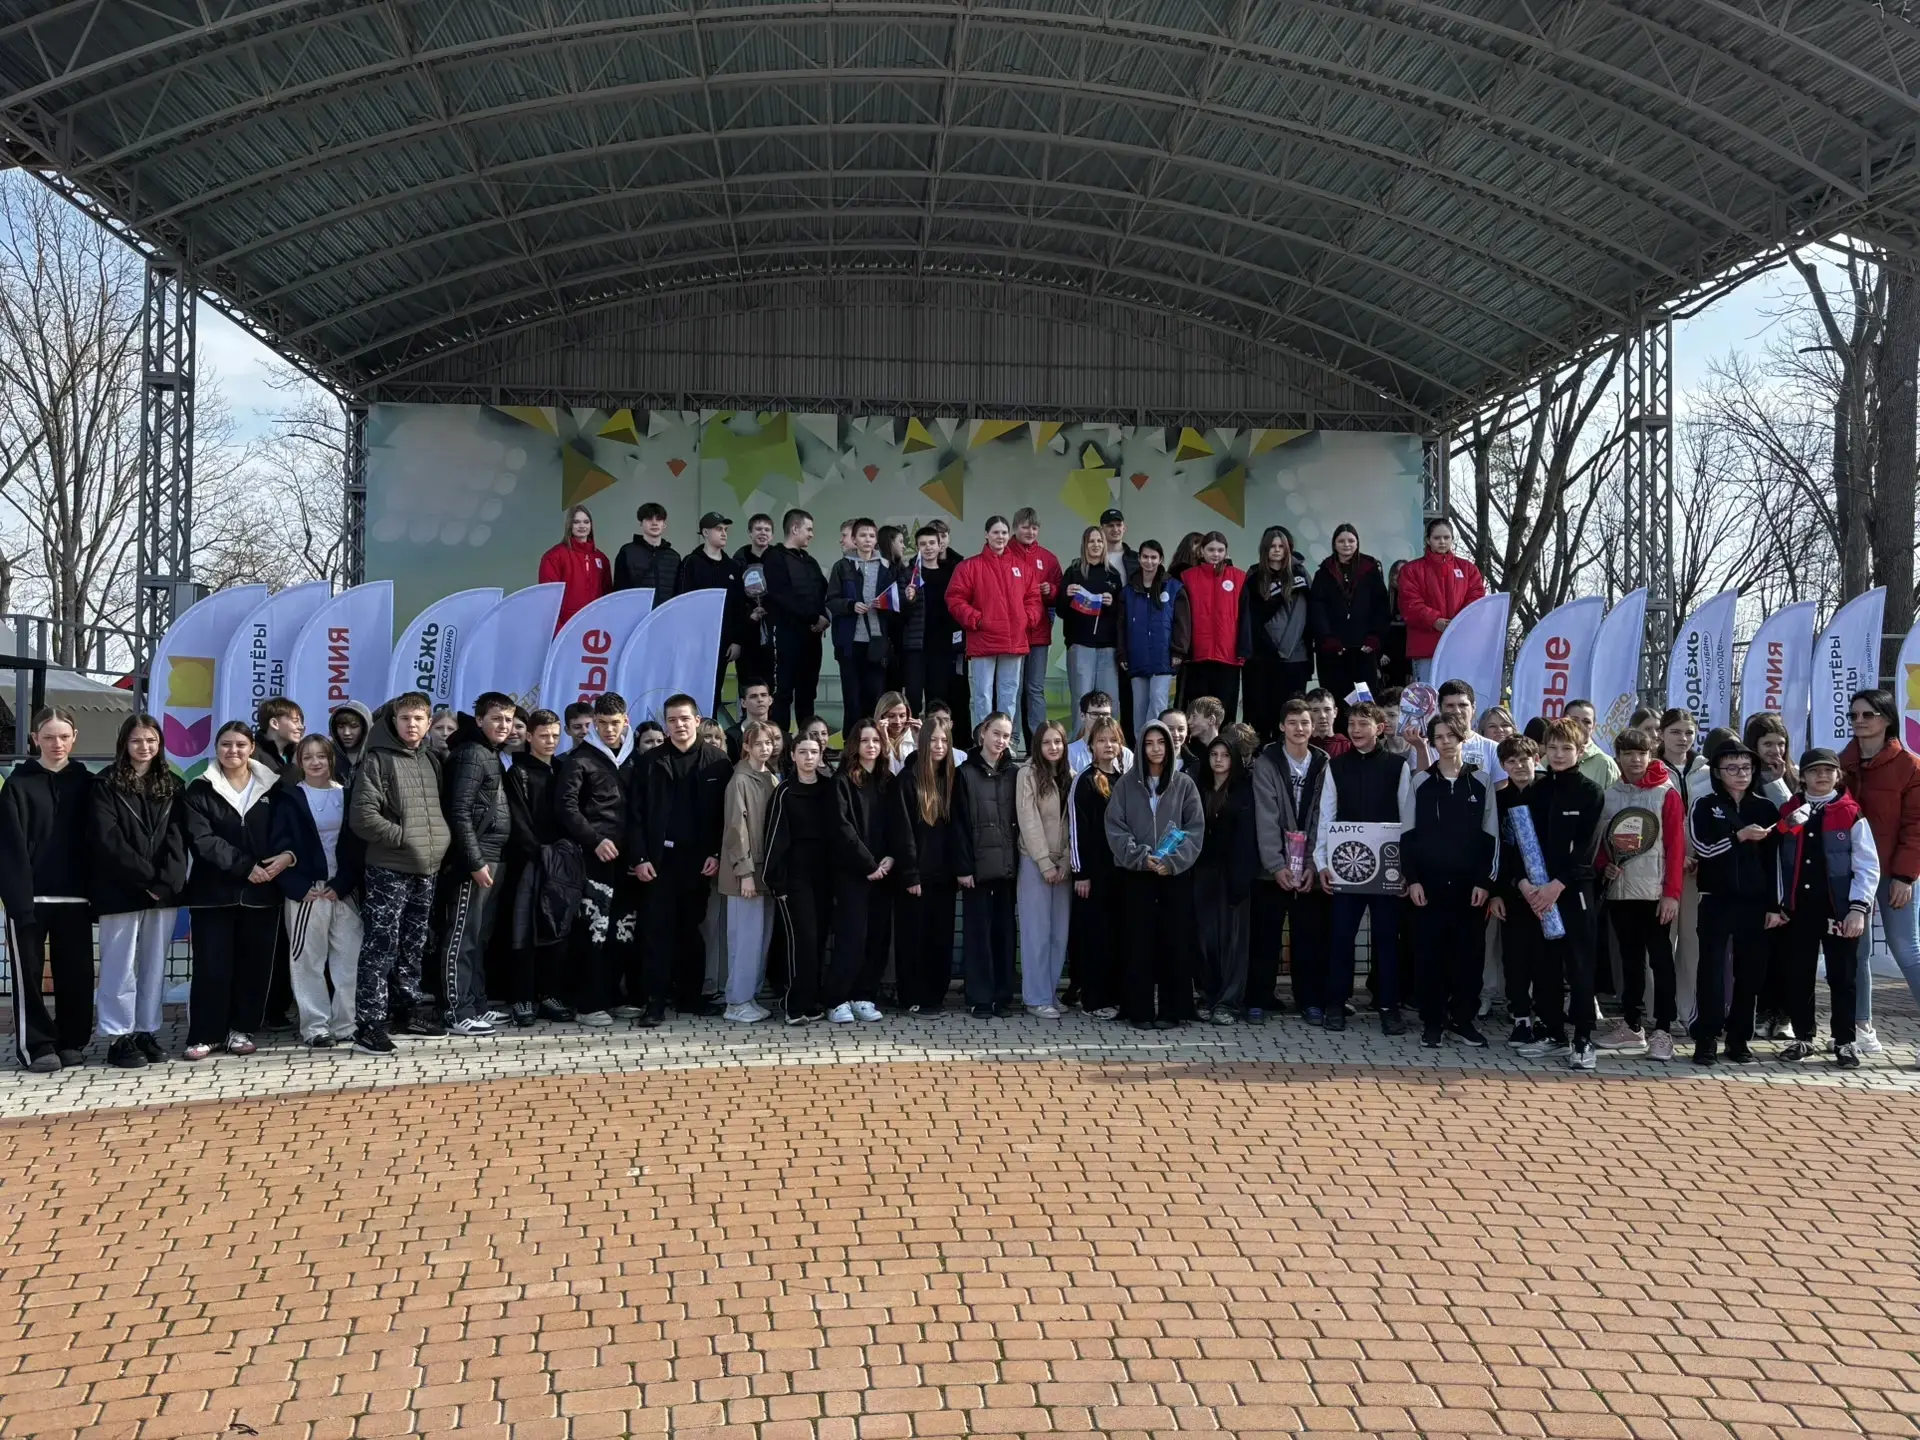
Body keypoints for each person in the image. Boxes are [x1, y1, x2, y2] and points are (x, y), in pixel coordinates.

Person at [179, 721, 291, 1061]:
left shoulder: (274, 787)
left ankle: (241, 1030)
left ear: (251, 747)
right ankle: (206, 1034)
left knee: (253, 966)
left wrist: (285, 857)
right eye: (226, 744)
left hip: (263, 893)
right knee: (212, 967)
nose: (233, 751)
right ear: (216, 748)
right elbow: (202, 840)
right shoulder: (199, 789)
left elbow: (288, 831)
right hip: (213, 894)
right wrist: (246, 867)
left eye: (240, 744)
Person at [348, 693, 452, 1049]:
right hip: (389, 869)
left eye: (419, 719)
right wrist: (405, 838)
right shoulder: (377, 759)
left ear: (428, 723)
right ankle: (369, 1024)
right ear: (394, 721)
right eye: (405, 718)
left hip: (426, 868)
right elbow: (363, 817)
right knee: (381, 946)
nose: (412, 724)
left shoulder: (430, 758)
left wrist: (434, 843)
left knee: (413, 944)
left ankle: (406, 1013)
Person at [87, 712, 188, 1071]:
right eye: (136, 740)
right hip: (121, 889)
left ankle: (146, 1030)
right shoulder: (105, 784)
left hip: (163, 893)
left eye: (151, 740)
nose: (144, 747)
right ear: (124, 744)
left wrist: (166, 882)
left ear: (160, 744)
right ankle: (119, 1036)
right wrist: (148, 879)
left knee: (154, 965)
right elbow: (107, 839)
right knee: (119, 966)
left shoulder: (174, 785)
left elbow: (178, 838)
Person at [626, 694, 731, 1023]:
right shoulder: (649, 762)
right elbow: (635, 815)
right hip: (659, 862)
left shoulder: (718, 762)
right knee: (657, 932)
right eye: (672, 720)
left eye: (685, 718)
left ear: (697, 720)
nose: (679, 725)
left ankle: (690, 998)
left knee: (691, 931)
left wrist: (716, 853)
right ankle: (654, 1003)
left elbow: (725, 816)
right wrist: (640, 857)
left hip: (699, 862)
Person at [1509, 719, 1607, 1069]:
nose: (1559, 754)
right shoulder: (1535, 792)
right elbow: (1519, 844)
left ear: (1580, 751)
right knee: (1544, 964)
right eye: (1552, 748)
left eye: (1567, 748)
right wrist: (1523, 883)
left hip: (1573, 891)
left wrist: (1557, 885)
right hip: (1537, 894)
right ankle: (1553, 1033)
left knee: (1578, 965)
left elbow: (1586, 849)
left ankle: (1583, 1038)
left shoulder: (1591, 792)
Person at [1772, 748, 1876, 1067]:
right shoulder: (1791, 811)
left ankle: (1845, 1042)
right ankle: (1803, 1038)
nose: (1822, 776)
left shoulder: (1850, 812)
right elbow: (1777, 860)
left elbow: (1867, 864)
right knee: (1799, 974)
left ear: (1837, 775)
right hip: (1799, 910)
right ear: (1802, 776)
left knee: (1842, 977)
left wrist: (1858, 908)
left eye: (1828, 770)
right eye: (1814, 770)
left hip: (1839, 911)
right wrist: (1779, 904)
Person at [1314, 701, 1412, 1034]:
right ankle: (1336, 1003)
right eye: (1352, 723)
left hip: (1388, 868)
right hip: (1346, 867)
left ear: (1379, 728)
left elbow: (1407, 819)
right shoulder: (1336, 766)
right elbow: (1326, 816)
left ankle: (1389, 1007)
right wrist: (1322, 862)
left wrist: (1405, 869)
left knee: (1386, 938)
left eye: (1363, 724)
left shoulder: (1398, 766)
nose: (1355, 730)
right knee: (1341, 937)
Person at [1401, 714, 1498, 1048]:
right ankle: (1433, 1022)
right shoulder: (1421, 782)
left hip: (1469, 890)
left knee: (1468, 958)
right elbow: (1408, 834)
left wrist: (1485, 882)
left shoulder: (1481, 781)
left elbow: (1491, 836)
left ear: (1462, 739)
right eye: (1438, 737)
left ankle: (1463, 1021)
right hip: (1428, 889)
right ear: (1432, 742)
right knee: (1429, 957)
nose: (1445, 742)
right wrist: (1413, 880)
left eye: (1450, 736)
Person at [1688, 739, 1785, 1066]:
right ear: (1717, 771)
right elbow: (1703, 848)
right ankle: (1706, 1038)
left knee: (1750, 972)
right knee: (1711, 970)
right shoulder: (1704, 804)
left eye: (1746, 767)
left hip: (1755, 903)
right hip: (1715, 899)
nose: (1741, 774)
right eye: (1732, 768)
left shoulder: (1766, 808)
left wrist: (1774, 906)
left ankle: (1739, 1038)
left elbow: (1775, 862)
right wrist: (1738, 836)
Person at [1593, 726, 1685, 1059]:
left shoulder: (1666, 792)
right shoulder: (1610, 794)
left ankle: (1663, 1030)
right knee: (1630, 961)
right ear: (1617, 757)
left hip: (1655, 894)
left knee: (1661, 961)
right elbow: (1602, 843)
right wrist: (1605, 866)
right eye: (1628, 753)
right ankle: (1632, 1027)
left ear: (1651, 755)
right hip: (1621, 893)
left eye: (1641, 753)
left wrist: (1671, 893)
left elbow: (1676, 846)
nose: (1635, 759)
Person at [1106, 718, 1204, 1028]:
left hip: (1174, 876)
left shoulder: (1184, 784)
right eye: (1149, 743)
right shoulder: (1125, 785)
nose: (1156, 749)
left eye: (1161, 743)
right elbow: (1115, 827)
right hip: (1137, 876)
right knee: (1138, 944)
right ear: (1140, 748)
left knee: (1175, 943)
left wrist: (1172, 861)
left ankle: (1173, 1011)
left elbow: (1195, 829)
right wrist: (1140, 857)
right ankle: (1140, 1011)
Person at [1838, 687, 1920, 1057]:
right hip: (1852, 874)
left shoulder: (1910, 767)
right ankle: (1862, 1029)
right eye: (1853, 715)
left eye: (1867, 714)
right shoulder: (1841, 763)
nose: (1859, 721)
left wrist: (1905, 876)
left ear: (1887, 719)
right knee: (1857, 952)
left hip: (1893, 874)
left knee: (1907, 950)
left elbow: (1916, 827)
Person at [271, 733, 366, 1049]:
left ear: (331, 759)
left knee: (349, 960)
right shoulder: (288, 798)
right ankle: (315, 1027)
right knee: (307, 962)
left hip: (343, 892)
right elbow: (278, 845)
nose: (315, 762)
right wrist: (298, 887)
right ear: (299, 762)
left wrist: (343, 884)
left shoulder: (346, 795)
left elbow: (356, 846)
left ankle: (346, 1025)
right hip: (308, 894)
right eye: (308, 756)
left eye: (321, 756)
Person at [439, 692, 516, 1034]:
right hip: (476, 860)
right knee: (462, 937)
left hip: (493, 856)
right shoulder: (472, 753)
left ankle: (476, 1004)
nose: (504, 725)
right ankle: (455, 1011)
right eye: (497, 718)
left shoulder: (489, 752)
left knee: (479, 937)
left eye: (509, 719)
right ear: (480, 719)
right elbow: (459, 811)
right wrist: (474, 860)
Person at [553, 691, 631, 1027]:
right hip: (592, 857)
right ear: (594, 723)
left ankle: (613, 996)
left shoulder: (634, 758)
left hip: (627, 859)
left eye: (615, 723)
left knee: (622, 929)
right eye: (602, 723)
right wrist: (594, 840)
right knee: (593, 929)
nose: (609, 729)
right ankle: (587, 1004)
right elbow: (566, 807)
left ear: (625, 721)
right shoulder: (579, 759)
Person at [1251, 699, 1330, 1023]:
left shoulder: (1323, 762)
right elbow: (1266, 815)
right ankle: (1258, 999)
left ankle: (1309, 1000)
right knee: (1265, 936)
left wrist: (1312, 865)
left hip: (1308, 868)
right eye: (1293, 722)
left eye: (1305, 722)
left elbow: (1322, 816)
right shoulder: (1267, 762)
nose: (1300, 728)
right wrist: (1276, 865)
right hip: (1272, 869)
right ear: (1282, 726)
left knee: (1309, 937)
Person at [819, 717, 894, 1024]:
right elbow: (841, 828)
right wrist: (868, 864)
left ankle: (864, 996)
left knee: (877, 937)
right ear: (854, 745)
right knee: (852, 938)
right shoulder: (841, 782)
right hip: (852, 873)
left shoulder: (887, 780)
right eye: (865, 741)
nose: (871, 746)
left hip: (884, 872)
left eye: (876, 740)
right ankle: (836, 999)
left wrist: (889, 858)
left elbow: (897, 824)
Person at [502, 708, 573, 1027]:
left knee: (556, 930)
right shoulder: (517, 772)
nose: (550, 741)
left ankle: (550, 995)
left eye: (555, 736)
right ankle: (522, 998)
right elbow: (518, 821)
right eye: (544, 736)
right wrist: (541, 854)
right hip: (528, 864)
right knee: (524, 931)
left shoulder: (564, 769)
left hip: (561, 866)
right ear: (529, 736)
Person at [947, 517, 1043, 738]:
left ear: (1009, 535)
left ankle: (1004, 742)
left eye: (1004, 533)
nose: (1000, 537)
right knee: (983, 695)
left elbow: (1034, 599)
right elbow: (955, 598)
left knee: (1009, 695)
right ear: (986, 535)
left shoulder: (1022, 568)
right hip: (983, 640)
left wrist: (1026, 619)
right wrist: (977, 619)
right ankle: (983, 742)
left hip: (1014, 641)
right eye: (995, 532)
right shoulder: (969, 566)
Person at [764, 732, 836, 1024]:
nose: (809, 757)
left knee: (818, 939)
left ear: (821, 756)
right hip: (794, 879)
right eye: (803, 752)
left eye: (813, 752)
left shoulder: (830, 788)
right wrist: (776, 881)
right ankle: (794, 1004)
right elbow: (774, 837)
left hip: (825, 876)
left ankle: (811, 1000)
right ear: (792, 756)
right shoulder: (784, 792)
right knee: (801, 940)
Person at [953, 711, 1021, 1017]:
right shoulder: (964, 773)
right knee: (978, 936)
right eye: (996, 733)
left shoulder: (1015, 773)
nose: (1001, 740)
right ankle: (979, 998)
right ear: (983, 733)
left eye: (1006, 736)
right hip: (977, 871)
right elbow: (959, 825)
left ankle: (1002, 997)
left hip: (1007, 869)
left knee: (1004, 935)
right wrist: (964, 867)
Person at [894, 718, 961, 1013]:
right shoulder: (907, 780)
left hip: (944, 877)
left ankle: (935, 995)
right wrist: (911, 874)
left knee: (940, 938)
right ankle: (912, 996)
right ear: (923, 743)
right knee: (914, 938)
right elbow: (903, 832)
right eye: (933, 740)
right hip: (916, 877)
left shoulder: (951, 780)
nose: (939, 746)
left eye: (944, 741)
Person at [718, 719, 780, 1023]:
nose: (765, 748)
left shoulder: (770, 777)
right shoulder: (739, 780)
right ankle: (737, 1001)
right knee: (744, 939)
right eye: (758, 744)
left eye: (769, 742)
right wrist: (744, 873)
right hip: (746, 873)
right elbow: (736, 829)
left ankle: (748, 996)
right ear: (746, 746)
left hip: (764, 872)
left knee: (759, 939)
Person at [1067, 715, 1127, 1020]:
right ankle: (1093, 999)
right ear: (1091, 745)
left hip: (1121, 874)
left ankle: (1115, 996)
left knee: (1117, 936)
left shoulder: (1126, 780)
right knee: (1094, 938)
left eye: (1113, 740)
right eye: (1101, 740)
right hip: (1093, 875)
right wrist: (1081, 873)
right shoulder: (1085, 780)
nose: (1108, 745)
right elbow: (1077, 830)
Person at [1193, 735, 1257, 1023]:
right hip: (1202, 872)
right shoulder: (1199, 788)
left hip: (1234, 874)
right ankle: (1208, 996)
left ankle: (1228, 1003)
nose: (1219, 760)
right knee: (1205, 939)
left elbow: (1249, 838)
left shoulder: (1244, 790)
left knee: (1233, 942)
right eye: (1214, 754)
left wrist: (1242, 877)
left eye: (1225, 755)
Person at [1744, 710, 1799, 1039]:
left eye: (1780, 744)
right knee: (1761, 948)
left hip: (1790, 876)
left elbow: (1799, 822)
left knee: (1788, 950)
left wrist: (1779, 784)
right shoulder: (1744, 777)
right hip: (1757, 874)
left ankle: (1786, 1014)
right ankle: (1763, 1011)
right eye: (1767, 744)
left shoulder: (1795, 778)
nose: (1775, 751)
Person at [1015, 719, 1073, 1018]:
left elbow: (1073, 824)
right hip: (1035, 862)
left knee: (1058, 934)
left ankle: (1050, 993)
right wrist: (1044, 862)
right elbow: (1028, 820)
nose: (1053, 747)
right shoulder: (1027, 774)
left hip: (1063, 865)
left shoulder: (1070, 776)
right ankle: (1036, 998)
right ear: (1037, 745)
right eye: (1047, 742)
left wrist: (1065, 860)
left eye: (1058, 742)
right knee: (1036, 932)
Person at [1491, 735, 1544, 1046]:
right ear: (1503, 766)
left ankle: (1546, 1016)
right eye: (1511, 761)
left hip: (1547, 891)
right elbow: (1497, 850)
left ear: (1536, 760)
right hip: (1512, 890)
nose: (1519, 766)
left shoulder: (1549, 794)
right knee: (1515, 956)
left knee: (1545, 956)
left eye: (1524, 759)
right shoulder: (1499, 800)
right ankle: (1521, 1015)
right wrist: (1498, 891)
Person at [1239, 525, 1313, 742]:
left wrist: (1284, 650)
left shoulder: (1299, 575)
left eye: (1281, 546)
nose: (1277, 550)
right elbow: (1248, 618)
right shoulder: (1253, 577)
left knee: (1289, 714)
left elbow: (1302, 617)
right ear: (1265, 549)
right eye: (1272, 546)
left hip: (1293, 658)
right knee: (1259, 715)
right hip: (1260, 659)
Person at [826, 517, 899, 733]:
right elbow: (831, 600)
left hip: (877, 641)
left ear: (876, 540)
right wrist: (850, 605)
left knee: (875, 696)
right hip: (850, 642)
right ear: (854, 539)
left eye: (871, 536)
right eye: (862, 535)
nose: (867, 540)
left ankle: (874, 740)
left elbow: (897, 600)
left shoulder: (886, 567)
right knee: (852, 697)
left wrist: (884, 604)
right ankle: (851, 742)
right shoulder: (842, 566)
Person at [1308, 524, 1390, 708]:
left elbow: (1381, 606)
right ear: (1334, 544)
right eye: (1341, 541)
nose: (1346, 545)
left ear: (1357, 543)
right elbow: (1317, 608)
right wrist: (1327, 639)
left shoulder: (1370, 570)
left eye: (1351, 540)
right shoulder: (1324, 572)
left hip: (1363, 649)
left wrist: (1374, 638)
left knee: (1365, 703)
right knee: (1335, 700)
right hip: (1333, 652)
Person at [1397, 517, 1488, 682]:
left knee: (1458, 694)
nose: (1442, 542)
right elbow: (1409, 603)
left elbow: (1476, 599)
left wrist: (1459, 621)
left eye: (1446, 537)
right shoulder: (1411, 570)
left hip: (1460, 646)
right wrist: (1434, 620)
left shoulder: (1468, 569)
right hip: (1426, 647)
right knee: (1429, 695)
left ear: (1452, 539)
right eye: (1437, 538)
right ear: (1428, 540)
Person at [765, 508, 830, 731]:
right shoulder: (775, 558)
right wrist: (813, 617)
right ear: (794, 528)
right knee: (783, 693)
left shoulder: (810, 562)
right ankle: (781, 742)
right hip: (787, 637)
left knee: (808, 691)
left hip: (812, 639)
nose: (811, 534)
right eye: (808, 529)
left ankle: (806, 739)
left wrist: (825, 617)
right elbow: (782, 596)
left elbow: (824, 592)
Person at [1172, 532, 1245, 722]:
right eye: (1211, 549)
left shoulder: (1239, 577)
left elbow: (1245, 617)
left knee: (1225, 711)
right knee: (1199, 711)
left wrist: (1243, 649)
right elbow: (1180, 617)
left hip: (1228, 655)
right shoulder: (1187, 577)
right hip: (1198, 655)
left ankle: (1226, 741)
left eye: (1220, 550)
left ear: (1226, 552)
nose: (1215, 554)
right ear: (1202, 551)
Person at [1117, 539, 1180, 742]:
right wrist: (1122, 653)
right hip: (1137, 657)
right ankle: (1140, 749)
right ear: (1139, 558)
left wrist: (1178, 651)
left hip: (1163, 658)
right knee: (1139, 707)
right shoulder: (1128, 591)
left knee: (1158, 703)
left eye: (1154, 557)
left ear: (1160, 559)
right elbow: (1121, 626)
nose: (1149, 561)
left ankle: (1157, 745)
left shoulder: (1173, 587)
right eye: (1145, 557)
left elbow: (1181, 623)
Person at [1010, 508, 1063, 747]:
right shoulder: (1004, 554)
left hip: (1039, 633)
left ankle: (1038, 743)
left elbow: (1061, 593)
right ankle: (1010, 741)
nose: (1030, 532)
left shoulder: (1048, 558)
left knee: (1035, 689)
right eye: (1025, 527)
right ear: (1015, 528)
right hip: (1011, 635)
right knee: (1013, 689)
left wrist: (1051, 590)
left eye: (1034, 527)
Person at [1058, 526, 1123, 722]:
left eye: (1099, 541)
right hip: (1080, 645)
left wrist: (1112, 604)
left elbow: (1122, 613)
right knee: (1081, 700)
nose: (1096, 545)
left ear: (1104, 545)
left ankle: (1108, 738)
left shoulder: (1113, 575)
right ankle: (1080, 739)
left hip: (1108, 647)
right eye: (1091, 541)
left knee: (1109, 702)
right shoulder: (1073, 572)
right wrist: (1066, 595)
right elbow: (1060, 611)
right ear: (1085, 545)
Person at [677, 511, 746, 683]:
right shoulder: (691, 562)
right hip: (696, 639)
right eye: (718, 529)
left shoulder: (732, 567)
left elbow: (739, 606)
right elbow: (683, 602)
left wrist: (737, 641)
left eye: (725, 529)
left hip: (724, 640)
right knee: (693, 684)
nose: (724, 533)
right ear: (705, 532)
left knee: (716, 687)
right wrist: (686, 638)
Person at [901, 524, 959, 720]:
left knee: (938, 698)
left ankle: (935, 735)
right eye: (923, 544)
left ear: (940, 544)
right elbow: (900, 612)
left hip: (942, 646)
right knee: (913, 697)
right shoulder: (909, 574)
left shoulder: (950, 573)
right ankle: (912, 736)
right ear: (917, 547)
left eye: (932, 543)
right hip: (916, 646)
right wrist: (908, 599)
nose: (928, 547)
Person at [538, 504, 613, 628]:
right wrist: (558, 630)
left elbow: (607, 597)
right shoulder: (554, 556)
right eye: (576, 522)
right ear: (569, 525)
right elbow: (548, 598)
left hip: (594, 627)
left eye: (586, 522)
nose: (582, 526)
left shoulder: (601, 558)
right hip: (566, 627)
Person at [734, 513, 779, 692]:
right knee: (747, 679)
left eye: (767, 530)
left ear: (772, 535)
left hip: (773, 628)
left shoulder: (779, 560)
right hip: (747, 628)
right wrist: (750, 614)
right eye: (758, 529)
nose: (763, 533)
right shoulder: (738, 562)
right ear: (749, 533)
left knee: (771, 681)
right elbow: (735, 597)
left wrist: (769, 608)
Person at [613, 500, 681, 602]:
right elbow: (619, 590)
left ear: (664, 524)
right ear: (641, 523)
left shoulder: (674, 556)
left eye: (659, 519)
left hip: (666, 611)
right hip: (636, 610)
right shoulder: (627, 552)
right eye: (649, 519)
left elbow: (678, 593)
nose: (654, 523)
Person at [1437, 681, 1501, 776]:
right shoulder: (1428, 747)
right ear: (1440, 708)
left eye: (1462, 705)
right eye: (1450, 705)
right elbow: (1419, 782)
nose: (1457, 711)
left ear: (1473, 708)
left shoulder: (1492, 749)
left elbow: (1500, 785)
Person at [1066, 691, 1133, 776]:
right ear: (1082, 716)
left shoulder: (1126, 755)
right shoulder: (1069, 753)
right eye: (1095, 714)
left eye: (1105, 714)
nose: (1100, 719)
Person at [724, 678, 775, 762]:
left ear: (770, 700)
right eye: (753, 696)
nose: (760, 700)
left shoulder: (781, 735)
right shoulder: (730, 736)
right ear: (743, 703)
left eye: (763, 695)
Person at [254, 696, 305, 778]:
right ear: (274, 723)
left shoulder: (295, 754)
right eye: (295, 721)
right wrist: (293, 767)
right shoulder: (253, 755)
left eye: (301, 722)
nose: (301, 727)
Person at [329, 701, 372, 785]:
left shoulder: (378, 754)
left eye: (353, 726)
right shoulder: (327, 754)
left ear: (364, 728)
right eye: (341, 727)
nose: (346, 733)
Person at [875, 691, 916, 773]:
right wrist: (884, 740)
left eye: (902, 716)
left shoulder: (914, 736)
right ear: (881, 716)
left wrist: (920, 740)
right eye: (891, 716)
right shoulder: (871, 738)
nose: (897, 721)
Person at [1099, 507, 1141, 585]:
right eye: (1110, 525)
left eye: (1119, 525)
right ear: (1101, 529)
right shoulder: (1094, 558)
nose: (1115, 529)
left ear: (1124, 528)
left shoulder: (1136, 558)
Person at [1305, 688, 1350, 759]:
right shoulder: (1301, 746)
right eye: (1315, 710)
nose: (1322, 716)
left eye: (1327, 709)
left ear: (1335, 712)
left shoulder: (1348, 747)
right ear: (1307, 714)